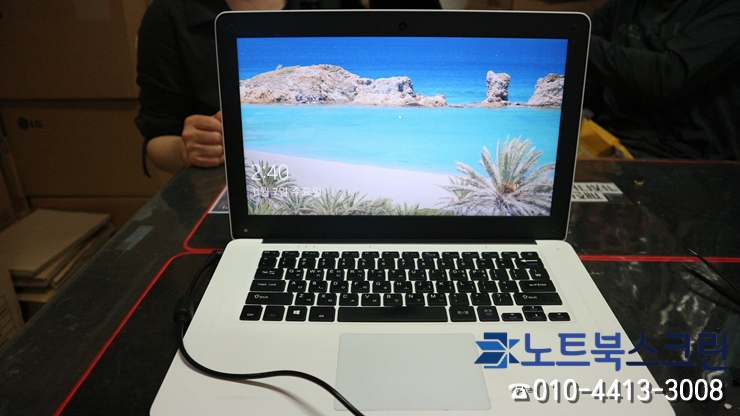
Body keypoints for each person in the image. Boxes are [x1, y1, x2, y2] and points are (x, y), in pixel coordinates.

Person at [135, 0, 442, 174]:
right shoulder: (170, 14)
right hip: (223, 204)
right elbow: (156, 140)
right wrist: (186, 149)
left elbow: (429, 24)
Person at [585, 0, 740, 160]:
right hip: (613, 138)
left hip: (684, 153)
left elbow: (668, 77)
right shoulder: (626, 6)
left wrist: (579, 42)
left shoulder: (728, 8)